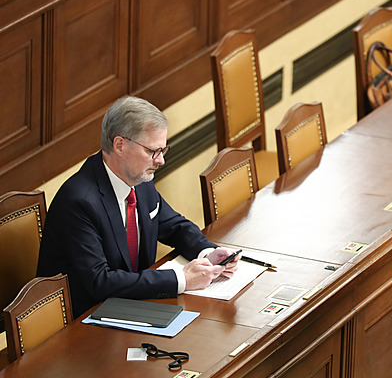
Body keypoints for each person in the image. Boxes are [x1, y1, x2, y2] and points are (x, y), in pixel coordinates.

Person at [37, 96, 240, 317]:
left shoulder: (139, 180)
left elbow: (174, 225)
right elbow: (100, 281)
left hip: (131, 305)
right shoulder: (79, 201)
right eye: (152, 151)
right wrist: (181, 279)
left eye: (163, 150)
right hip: (87, 320)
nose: (160, 160)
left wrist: (208, 254)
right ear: (120, 145)